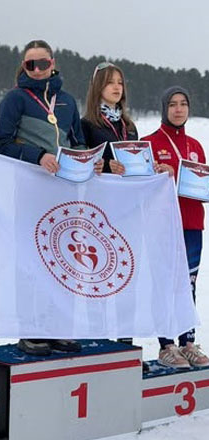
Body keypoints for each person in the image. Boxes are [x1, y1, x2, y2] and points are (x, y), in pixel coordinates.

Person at [0, 39, 101, 356]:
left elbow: (77, 142)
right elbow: (1, 144)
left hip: (63, 193)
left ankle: (59, 328)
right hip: (29, 190)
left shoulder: (66, 100)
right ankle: (30, 330)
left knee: (62, 258)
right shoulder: (15, 99)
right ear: (23, 67)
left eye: (43, 63)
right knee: (31, 260)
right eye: (31, 64)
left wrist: (85, 160)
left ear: (53, 63)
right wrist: (38, 155)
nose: (38, 69)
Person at [142, 86, 209, 369]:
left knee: (188, 285)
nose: (179, 109)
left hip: (192, 223)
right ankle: (166, 345)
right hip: (163, 226)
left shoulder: (195, 145)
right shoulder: (149, 143)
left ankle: (188, 342)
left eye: (183, 104)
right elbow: (139, 186)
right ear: (163, 109)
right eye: (173, 104)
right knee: (165, 285)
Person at [81, 62, 135, 176]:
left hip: (128, 190)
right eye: (110, 82)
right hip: (100, 190)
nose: (117, 87)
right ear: (98, 86)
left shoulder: (129, 126)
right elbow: (81, 162)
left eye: (120, 83)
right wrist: (106, 166)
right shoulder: (86, 124)